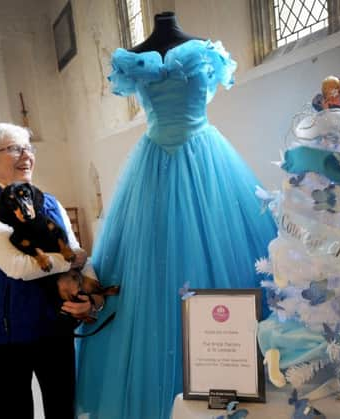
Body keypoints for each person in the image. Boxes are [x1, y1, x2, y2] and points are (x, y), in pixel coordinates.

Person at [75, 13, 276, 419]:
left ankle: (233, 377)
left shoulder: (204, 51)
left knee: (226, 261)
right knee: (149, 276)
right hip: (152, 174)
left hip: (207, 165)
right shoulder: (133, 58)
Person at [0, 122, 91, 419]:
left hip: (54, 327)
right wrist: (72, 259)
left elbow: (75, 257)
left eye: (29, 148)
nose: (26, 155)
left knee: (63, 410)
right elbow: (20, 267)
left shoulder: (51, 202)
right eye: (15, 149)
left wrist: (85, 296)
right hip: (2, 337)